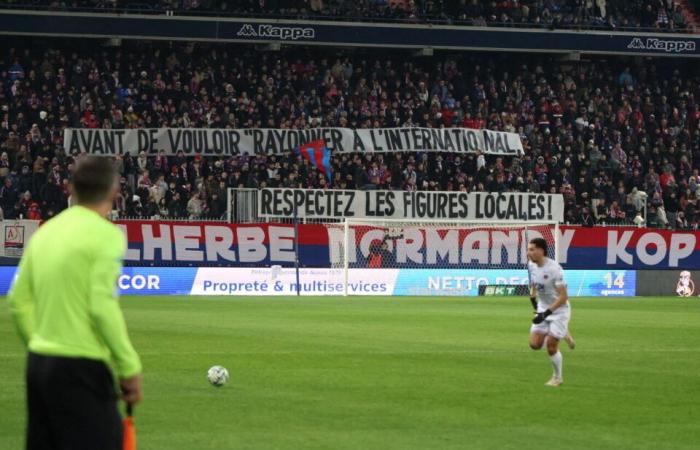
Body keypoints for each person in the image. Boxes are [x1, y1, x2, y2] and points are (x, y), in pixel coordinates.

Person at [8, 156, 142, 450]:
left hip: (39, 365)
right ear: (114, 193)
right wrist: (128, 366)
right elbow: (101, 305)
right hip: (81, 368)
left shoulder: (46, 232)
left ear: (70, 188)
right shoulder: (106, 235)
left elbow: (18, 303)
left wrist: (40, 344)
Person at [527, 237, 572, 387]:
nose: (529, 253)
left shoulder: (555, 269)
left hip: (559, 310)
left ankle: (557, 378)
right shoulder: (531, 266)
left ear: (541, 251)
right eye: (528, 249)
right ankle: (561, 332)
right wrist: (533, 296)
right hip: (542, 307)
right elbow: (534, 282)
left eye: (532, 249)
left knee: (551, 346)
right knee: (534, 344)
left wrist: (545, 314)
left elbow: (564, 297)